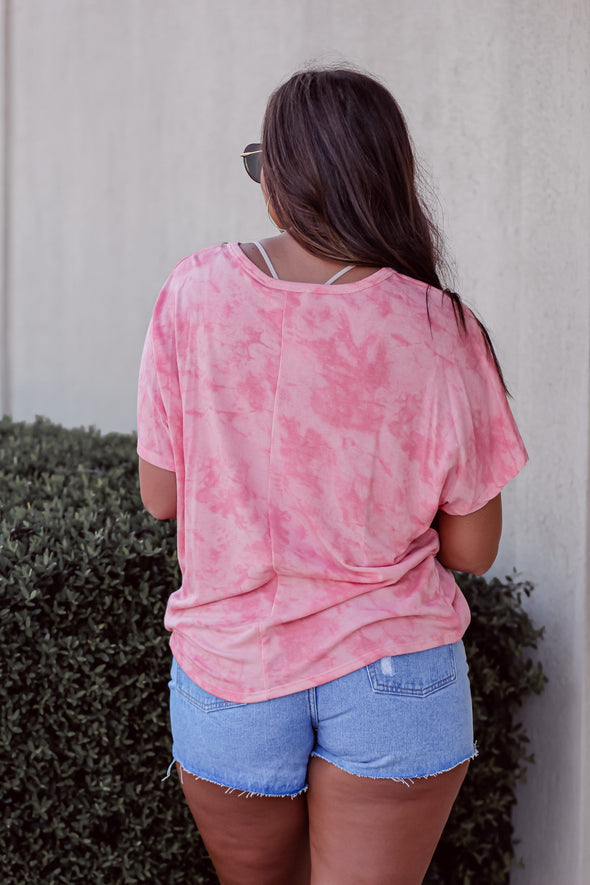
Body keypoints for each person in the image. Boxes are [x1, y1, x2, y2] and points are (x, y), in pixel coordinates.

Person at [137, 67, 528, 885]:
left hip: (231, 669)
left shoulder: (194, 292)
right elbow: (474, 547)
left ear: (281, 180)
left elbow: (161, 495)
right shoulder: (437, 322)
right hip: (394, 672)